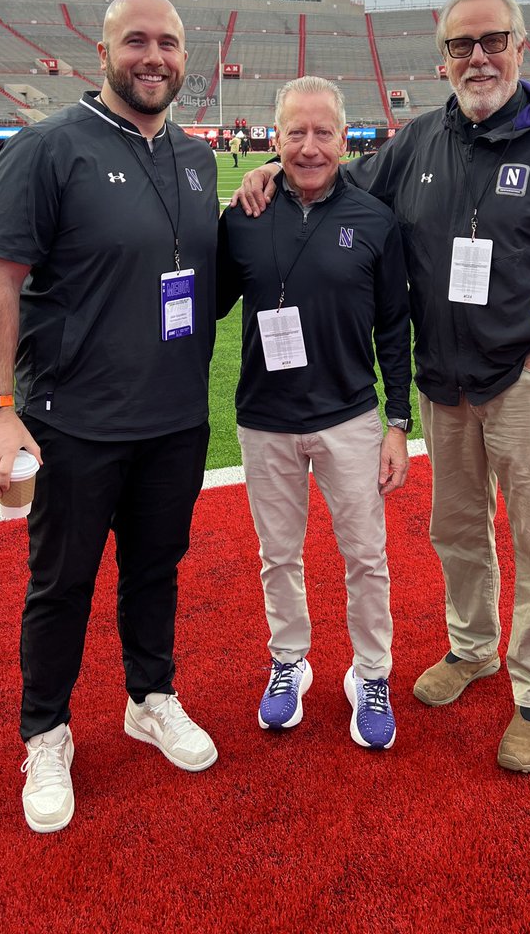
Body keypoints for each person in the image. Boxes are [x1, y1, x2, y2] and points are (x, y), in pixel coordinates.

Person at [234, 0, 530, 774]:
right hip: (443, 382)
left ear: (521, 47)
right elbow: (335, 184)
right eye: (461, 46)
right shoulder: (418, 141)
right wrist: (271, 175)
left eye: (492, 41)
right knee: (456, 532)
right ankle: (473, 648)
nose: (477, 57)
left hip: (527, 381)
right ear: (443, 58)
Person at [0, 0, 219, 834]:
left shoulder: (196, 156)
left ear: (187, 57)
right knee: (62, 585)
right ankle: (45, 731)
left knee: (157, 571)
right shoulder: (47, 148)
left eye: (169, 44)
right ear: (103, 50)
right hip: (73, 419)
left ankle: (150, 697)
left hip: (176, 416)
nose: (155, 57)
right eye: (137, 41)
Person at [218, 76, 412, 751]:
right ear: (273, 139)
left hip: (349, 418)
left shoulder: (374, 219)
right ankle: (289, 662)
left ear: (344, 137)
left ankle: (372, 672)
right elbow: (207, 303)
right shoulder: (242, 215)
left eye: (321, 132)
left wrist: (398, 423)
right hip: (265, 417)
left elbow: (394, 327)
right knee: (279, 555)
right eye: (293, 133)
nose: (307, 146)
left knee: (366, 555)